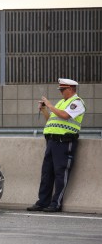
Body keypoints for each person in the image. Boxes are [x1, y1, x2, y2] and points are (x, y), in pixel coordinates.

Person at [27, 78, 85, 213]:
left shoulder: (77, 102)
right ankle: (42, 202)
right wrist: (44, 110)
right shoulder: (61, 102)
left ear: (70, 89)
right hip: (52, 142)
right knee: (46, 173)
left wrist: (50, 104)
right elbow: (51, 120)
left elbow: (65, 116)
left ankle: (56, 204)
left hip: (64, 142)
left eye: (62, 90)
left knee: (61, 173)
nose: (61, 92)